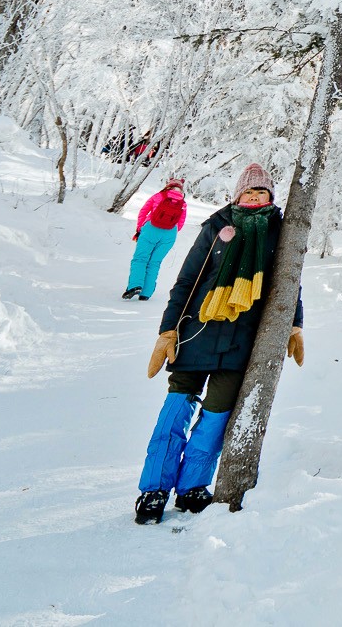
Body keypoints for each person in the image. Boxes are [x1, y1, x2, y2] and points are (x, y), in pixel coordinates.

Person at [132, 163, 305, 524]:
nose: (255, 197)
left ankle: (193, 486)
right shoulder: (215, 227)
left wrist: (294, 325)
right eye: (249, 191)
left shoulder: (280, 232)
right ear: (237, 195)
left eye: (262, 192)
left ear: (271, 198)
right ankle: (153, 490)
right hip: (196, 332)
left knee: (215, 417)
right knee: (176, 411)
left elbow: (289, 283)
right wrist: (167, 331)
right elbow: (187, 281)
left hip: (240, 341)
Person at [123, 175, 188, 301]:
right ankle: (146, 293)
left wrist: (139, 228)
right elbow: (180, 223)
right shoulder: (183, 203)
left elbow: (143, 211)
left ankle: (135, 286)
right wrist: (169, 231)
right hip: (170, 234)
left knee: (140, 259)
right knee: (154, 263)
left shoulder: (158, 196)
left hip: (151, 229)